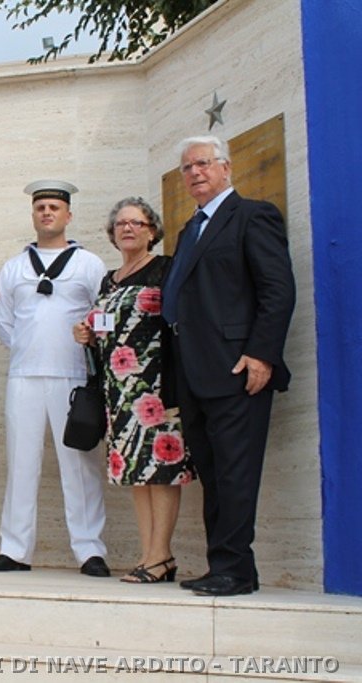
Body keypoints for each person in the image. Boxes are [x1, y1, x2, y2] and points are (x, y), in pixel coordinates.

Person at [162, 135, 295, 596]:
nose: (194, 173)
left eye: (202, 163)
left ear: (226, 167)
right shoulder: (189, 230)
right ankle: (228, 566)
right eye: (187, 168)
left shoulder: (253, 215)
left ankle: (234, 570)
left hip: (237, 369)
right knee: (215, 475)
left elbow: (277, 289)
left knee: (237, 473)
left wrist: (262, 354)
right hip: (195, 373)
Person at [0, 179, 110, 577]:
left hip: (73, 375)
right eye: (41, 208)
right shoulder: (14, 267)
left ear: (68, 215)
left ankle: (89, 550)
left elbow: (104, 316)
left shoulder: (89, 264)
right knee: (21, 463)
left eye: (54, 207)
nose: (47, 213)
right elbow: (4, 323)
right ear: (33, 214)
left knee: (80, 464)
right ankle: (15, 549)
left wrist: (89, 342)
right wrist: (28, 347)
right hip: (25, 376)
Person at [73, 197, 196, 583]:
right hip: (119, 391)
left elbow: (182, 320)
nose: (127, 228)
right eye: (120, 224)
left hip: (156, 386)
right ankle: (151, 555)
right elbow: (107, 328)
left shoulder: (166, 269)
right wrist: (87, 333)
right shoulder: (109, 279)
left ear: (152, 230)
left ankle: (160, 556)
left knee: (162, 469)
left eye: (136, 223)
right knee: (137, 473)